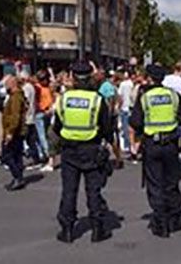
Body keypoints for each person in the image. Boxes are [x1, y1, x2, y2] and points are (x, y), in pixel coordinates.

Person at [54, 62, 113, 243]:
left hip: (69, 150)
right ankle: (97, 229)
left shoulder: (64, 99)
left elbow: (57, 126)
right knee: (93, 191)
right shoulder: (97, 99)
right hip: (92, 149)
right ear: (90, 77)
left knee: (69, 191)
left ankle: (68, 230)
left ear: (72, 76)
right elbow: (106, 127)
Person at [131, 64, 181, 238]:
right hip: (170, 144)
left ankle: (161, 222)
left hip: (152, 145)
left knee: (155, 183)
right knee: (171, 182)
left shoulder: (145, 98)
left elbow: (135, 122)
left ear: (149, 79)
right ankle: (174, 217)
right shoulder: (173, 95)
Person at [1, 76, 27, 191]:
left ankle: (17, 176)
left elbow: (15, 115)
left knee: (6, 155)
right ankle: (18, 177)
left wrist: (10, 132)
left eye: (7, 83)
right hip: (17, 130)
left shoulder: (16, 97)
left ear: (13, 84)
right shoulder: (15, 96)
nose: (5, 86)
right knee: (17, 155)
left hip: (14, 131)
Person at [117, 69, 135, 160]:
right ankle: (132, 146)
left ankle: (127, 146)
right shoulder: (132, 84)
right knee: (131, 128)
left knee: (125, 128)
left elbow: (120, 97)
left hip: (124, 108)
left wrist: (119, 106)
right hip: (131, 108)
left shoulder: (123, 84)